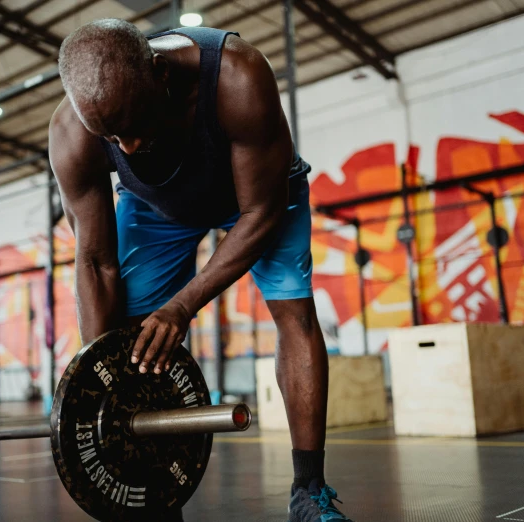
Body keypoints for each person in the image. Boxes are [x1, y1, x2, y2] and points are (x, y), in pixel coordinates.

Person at [48, 18, 354, 522]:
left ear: (161, 74)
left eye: (137, 126)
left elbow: (261, 215)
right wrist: (98, 383)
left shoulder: (237, 77)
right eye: (113, 137)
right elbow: (95, 261)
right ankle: (153, 494)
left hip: (257, 196)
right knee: (131, 335)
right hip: (157, 207)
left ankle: (309, 491)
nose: (126, 148)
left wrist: (183, 306)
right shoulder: (73, 133)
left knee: (295, 314)